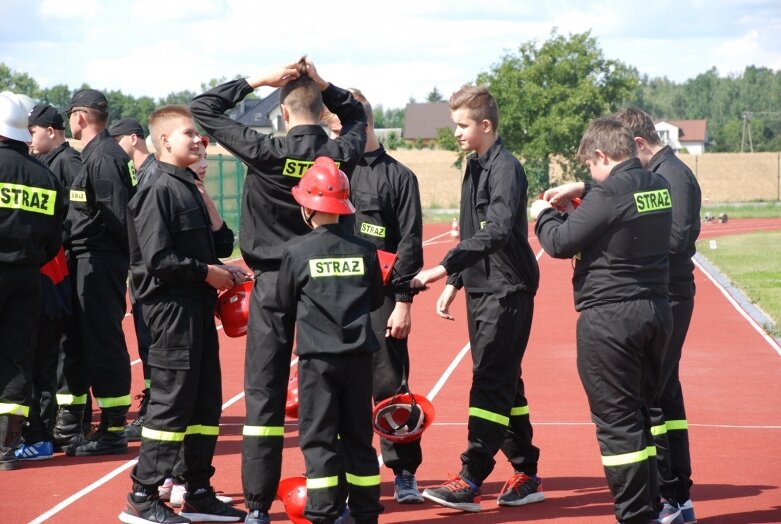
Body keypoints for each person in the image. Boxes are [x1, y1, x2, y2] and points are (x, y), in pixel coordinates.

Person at [191, 56, 367, 524]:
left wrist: (259, 79)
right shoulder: (337, 154)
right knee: (329, 394)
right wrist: (324, 84)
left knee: (264, 397)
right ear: (316, 111)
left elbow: (203, 109)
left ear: (283, 114)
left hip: (271, 284)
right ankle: (338, 499)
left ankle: (256, 507)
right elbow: (356, 117)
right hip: (326, 283)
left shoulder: (265, 150)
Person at [532, 117, 674, 524]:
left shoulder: (609, 193)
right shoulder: (657, 186)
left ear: (601, 154)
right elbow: (618, 197)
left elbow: (559, 243)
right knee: (641, 416)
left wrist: (543, 213)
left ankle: (634, 516)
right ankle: (650, 508)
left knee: (617, 425)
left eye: (590, 167)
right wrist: (587, 189)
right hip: (655, 311)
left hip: (612, 318)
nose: (590, 174)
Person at [410, 84, 544, 512]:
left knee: (489, 381)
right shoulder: (473, 166)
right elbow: (472, 232)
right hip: (483, 288)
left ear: (486, 125)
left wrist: (442, 268)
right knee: (506, 382)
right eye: (455, 125)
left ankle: (470, 478)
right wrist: (456, 284)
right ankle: (526, 472)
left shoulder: (506, 169)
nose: (456, 133)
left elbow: (499, 231)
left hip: (509, 290)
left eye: (462, 125)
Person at [119, 105, 249, 524]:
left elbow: (224, 242)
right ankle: (143, 495)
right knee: (171, 406)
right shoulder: (157, 188)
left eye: (200, 135)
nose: (200, 140)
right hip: (170, 311)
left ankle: (196, 490)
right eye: (190, 134)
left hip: (196, 309)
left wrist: (204, 193)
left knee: (204, 404)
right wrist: (210, 273)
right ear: (165, 141)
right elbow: (157, 259)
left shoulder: (187, 184)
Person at [325, 89, 426, 503]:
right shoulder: (328, 171)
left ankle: (404, 473)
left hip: (382, 301)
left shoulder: (399, 177)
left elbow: (411, 243)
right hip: (334, 300)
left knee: (390, 387)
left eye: (339, 128)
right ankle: (347, 476)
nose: (334, 137)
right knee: (337, 390)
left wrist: (403, 300)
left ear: (360, 125)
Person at [276, 156, 385, 524]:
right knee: (358, 439)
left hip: (318, 364)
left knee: (320, 440)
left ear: (307, 206)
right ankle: (366, 512)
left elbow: (283, 304)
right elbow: (374, 300)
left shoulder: (296, 252)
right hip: (358, 360)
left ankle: (323, 514)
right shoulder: (365, 251)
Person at [614, 107, 700, 524]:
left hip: (672, 292)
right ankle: (674, 494)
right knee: (663, 394)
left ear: (638, 145)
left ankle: (673, 495)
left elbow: (679, 235)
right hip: (662, 292)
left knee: (657, 396)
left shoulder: (674, 175)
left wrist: (631, 242)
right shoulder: (660, 174)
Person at [54, 88, 136, 456]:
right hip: (86, 261)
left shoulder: (103, 157)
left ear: (79, 117)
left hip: (99, 262)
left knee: (104, 341)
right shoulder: (94, 155)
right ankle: (74, 425)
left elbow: (119, 219)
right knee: (82, 341)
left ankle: (113, 430)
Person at [0, 91, 65, 470]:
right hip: (27, 279)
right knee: (17, 360)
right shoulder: (45, 176)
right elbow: (53, 241)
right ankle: (7, 450)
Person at [12, 103, 78, 461]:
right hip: (48, 280)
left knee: (32, 365)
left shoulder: (58, 166)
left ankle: (33, 436)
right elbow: (57, 233)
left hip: (40, 284)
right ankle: (38, 435)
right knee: (41, 366)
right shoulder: (43, 175)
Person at [109, 116, 156, 441]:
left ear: (134, 139)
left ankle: (153, 412)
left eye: (118, 141)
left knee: (153, 348)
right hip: (142, 276)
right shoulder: (141, 174)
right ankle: (152, 406)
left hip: (150, 279)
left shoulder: (151, 174)